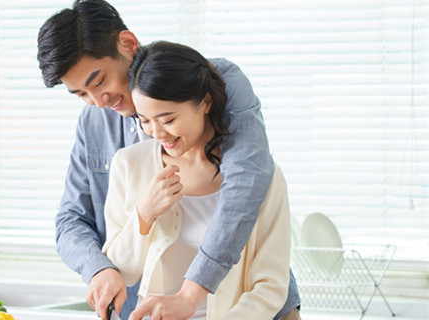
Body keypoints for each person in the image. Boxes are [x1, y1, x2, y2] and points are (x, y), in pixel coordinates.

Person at [36, 1, 300, 319]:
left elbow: (248, 180)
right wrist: (98, 268)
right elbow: (72, 219)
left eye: (99, 82)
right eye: (80, 94)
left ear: (128, 44)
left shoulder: (216, 81)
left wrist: (191, 293)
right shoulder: (103, 134)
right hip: (152, 307)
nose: (97, 102)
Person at [103, 40, 293, 320]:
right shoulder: (129, 165)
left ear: (205, 102)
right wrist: (143, 216)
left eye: (167, 120)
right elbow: (123, 272)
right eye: (144, 121)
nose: (156, 133)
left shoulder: (263, 177)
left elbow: (271, 287)